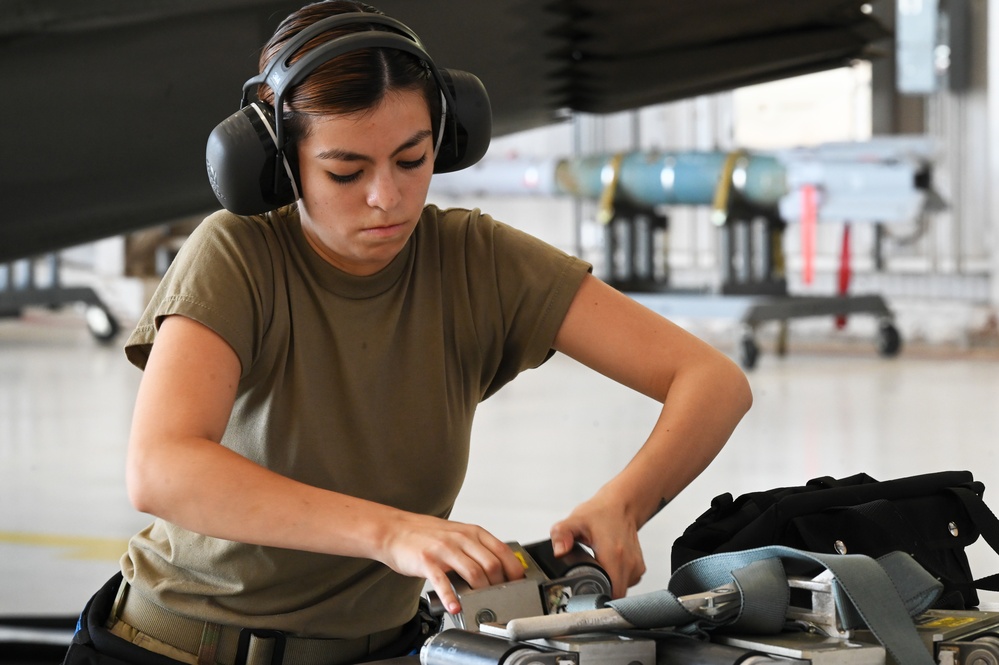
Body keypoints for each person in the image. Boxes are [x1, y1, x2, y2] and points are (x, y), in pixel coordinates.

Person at [66, 2, 752, 664]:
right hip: (177, 647)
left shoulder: (475, 261)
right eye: (345, 171)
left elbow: (711, 380)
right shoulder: (237, 254)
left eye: (411, 158)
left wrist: (623, 503)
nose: (386, 198)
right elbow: (161, 468)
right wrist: (392, 532)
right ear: (280, 161)